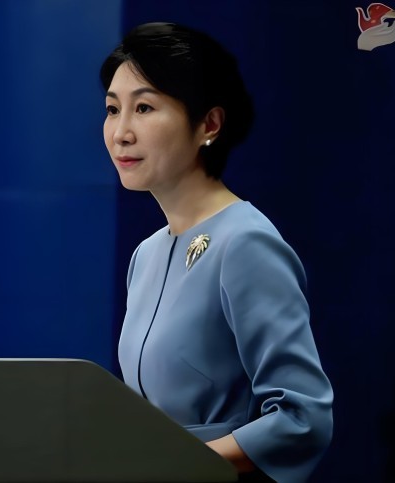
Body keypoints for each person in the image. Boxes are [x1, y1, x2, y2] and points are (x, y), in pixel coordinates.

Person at [101, 22, 333, 483]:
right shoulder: (146, 254)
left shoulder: (245, 241)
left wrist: (178, 460)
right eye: (112, 109)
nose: (121, 132)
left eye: (144, 107)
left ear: (209, 124)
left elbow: (302, 418)